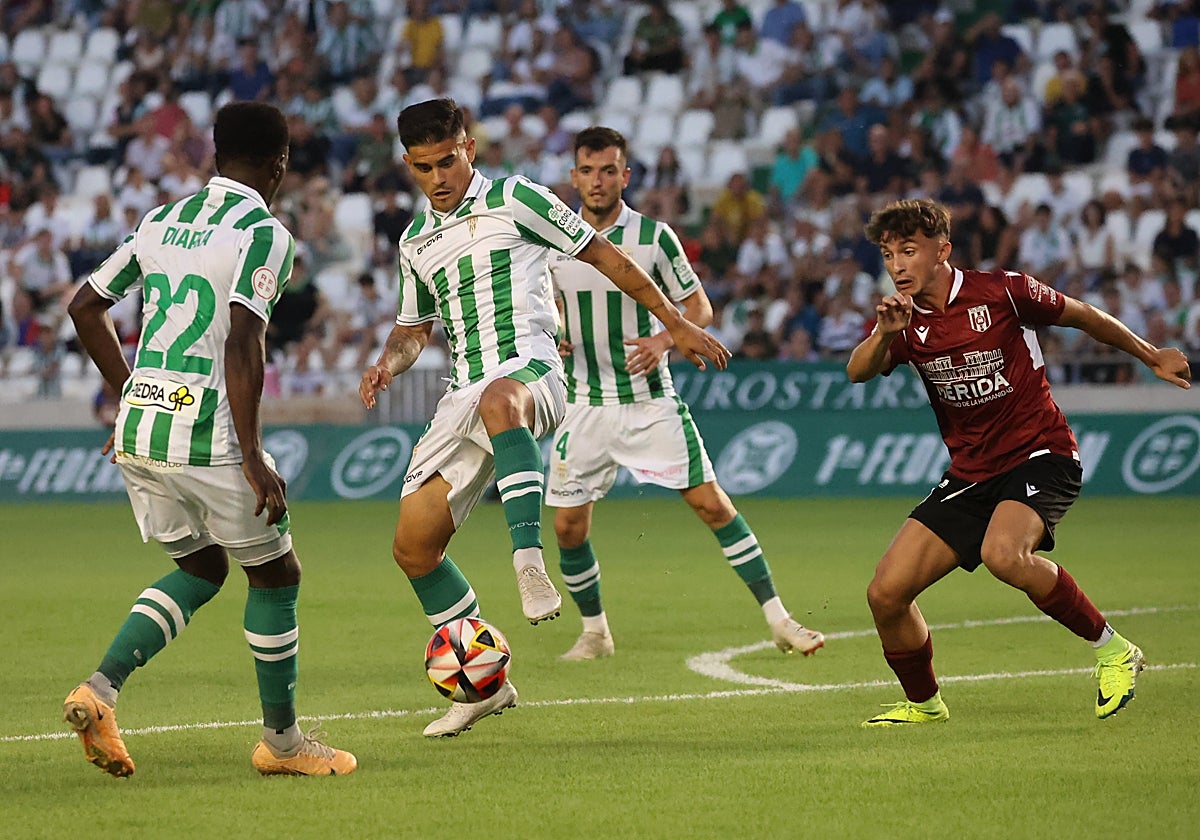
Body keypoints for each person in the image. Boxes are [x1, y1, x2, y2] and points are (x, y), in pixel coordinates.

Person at [358, 99, 729, 737]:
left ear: (468, 147)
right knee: (414, 549)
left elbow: (606, 258)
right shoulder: (416, 240)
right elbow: (413, 328)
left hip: (533, 372)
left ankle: (528, 560)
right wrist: (388, 361)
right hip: (462, 395)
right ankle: (483, 687)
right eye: (424, 168)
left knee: (501, 397)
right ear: (408, 166)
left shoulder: (517, 199)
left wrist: (677, 323)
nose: (439, 178)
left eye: (448, 161)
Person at [63, 102, 356, 777]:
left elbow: (84, 307)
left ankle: (100, 692)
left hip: (141, 425)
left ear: (216, 155)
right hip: (207, 434)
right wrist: (253, 456)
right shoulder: (264, 233)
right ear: (280, 164)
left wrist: (129, 390)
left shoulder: (160, 221)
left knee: (202, 567)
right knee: (277, 573)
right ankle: (282, 745)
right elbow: (246, 343)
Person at [846, 198, 1191, 727]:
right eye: (889, 254)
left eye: (908, 251)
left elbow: (1085, 317)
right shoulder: (905, 321)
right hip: (970, 474)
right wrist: (886, 333)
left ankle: (1113, 649)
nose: (896, 265)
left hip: (1041, 453)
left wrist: (1151, 355)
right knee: (886, 593)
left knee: (1004, 554)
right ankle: (924, 704)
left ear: (943, 251)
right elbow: (857, 371)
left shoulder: (1003, 290)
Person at [544, 126, 823, 661]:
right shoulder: (555, 241)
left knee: (713, 506)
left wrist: (663, 339)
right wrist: (555, 338)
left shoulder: (655, 237)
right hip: (583, 404)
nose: (598, 181)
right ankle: (596, 633)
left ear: (625, 175)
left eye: (609, 170)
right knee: (568, 527)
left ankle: (780, 620)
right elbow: (550, 307)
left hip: (650, 401)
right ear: (574, 176)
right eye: (587, 170)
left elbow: (699, 309)